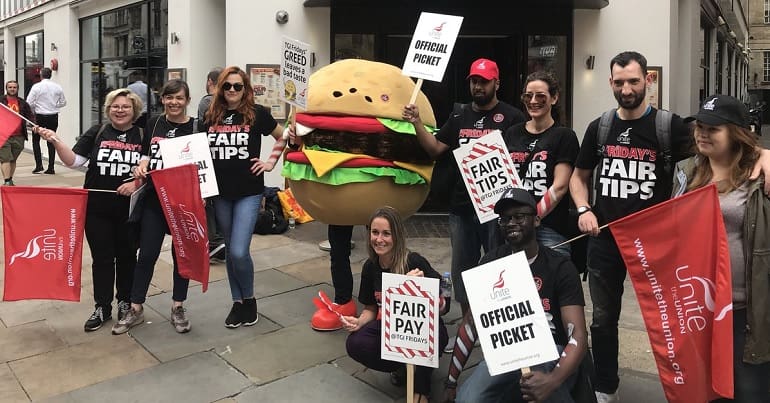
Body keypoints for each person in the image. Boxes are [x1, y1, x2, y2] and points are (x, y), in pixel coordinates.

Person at [569, 51, 770, 403]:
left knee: (670, 318)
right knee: (603, 319)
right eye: (619, 82)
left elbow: (728, 146)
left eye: (633, 81)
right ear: (610, 83)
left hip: (657, 245)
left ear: (647, 80)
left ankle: (688, 384)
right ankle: (605, 386)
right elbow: (579, 177)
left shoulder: (670, 127)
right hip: (605, 239)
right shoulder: (600, 127)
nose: (626, 88)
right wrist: (584, 209)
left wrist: (765, 153)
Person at [403, 57, 526, 319]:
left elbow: (520, 158)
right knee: (462, 270)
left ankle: (497, 320)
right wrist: (416, 123)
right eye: (474, 81)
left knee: (498, 266)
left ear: (496, 83)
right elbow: (436, 149)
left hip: (497, 210)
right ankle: (468, 324)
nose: (478, 86)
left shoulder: (513, 116)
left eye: (483, 81)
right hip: (461, 207)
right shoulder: (459, 114)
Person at [445, 187, 587, 403]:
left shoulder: (560, 267)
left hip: (550, 353)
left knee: (541, 379)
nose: (511, 223)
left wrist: (553, 380)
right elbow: (470, 324)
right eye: (504, 219)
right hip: (505, 355)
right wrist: (451, 382)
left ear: (536, 220)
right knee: (467, 400)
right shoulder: (490, 263)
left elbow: (577, 335)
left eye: (519, 217)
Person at [672, 94, 770, 403]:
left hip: (745, 311)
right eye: (699, 126)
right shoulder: (685, 172)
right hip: (698, 310)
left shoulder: (760, 175)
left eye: (712, 128)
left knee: (749, 391)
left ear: (736, 132)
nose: (702, 133)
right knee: (706, 393)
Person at [36, 88, 144, 332]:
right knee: (102, 259)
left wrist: (135, 182)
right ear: (108, 109)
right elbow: (73, 161)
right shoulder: (97, 132)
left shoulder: (142, 135)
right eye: (115, 106)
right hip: (97, 209)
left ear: (134, 110)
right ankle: (102, 306)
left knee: (127, 258)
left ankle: (125, 303)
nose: (120, 110)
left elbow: (151, 170)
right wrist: (55, 140)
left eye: (125, 106)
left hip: (131, 212)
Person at [202, 66, 286, 328]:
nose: (232, 91)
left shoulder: (257, 114)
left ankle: (249, 299)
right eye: (227, 86)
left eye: (237, 86)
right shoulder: (211, 115)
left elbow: (282, 137)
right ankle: (237, 302)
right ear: (220, 89)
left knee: (239, 251)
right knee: (229, 249)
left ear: (245, 89)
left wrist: (270, 163)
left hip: (249, 192)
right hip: (221, 194)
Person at [111, 79, 197, 335]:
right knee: (147, 254)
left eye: (179, 98)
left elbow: (203, 163)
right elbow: (146, 153)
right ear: (163, 100)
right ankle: (136, 308)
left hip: (183, 201)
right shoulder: (154, 123)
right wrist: (141, 165)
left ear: (187, 100)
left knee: (182, 256)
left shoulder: (196, 126)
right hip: (155, 199)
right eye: (169, 98)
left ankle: (178, 306)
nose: (174, 103)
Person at [342, 206, 450, 403]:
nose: (379, 239)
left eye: (386, 234)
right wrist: (358, 322)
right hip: (390, 327)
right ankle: (401, 365)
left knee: (430, 338)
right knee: (355, 343)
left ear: (397, 236)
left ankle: (421, 388)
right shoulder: (370, 267)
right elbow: (370, 308)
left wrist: (418, 288)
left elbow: (444, 300)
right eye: (375, 232)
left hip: (423, 329)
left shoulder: (413, 261)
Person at [502, 71, 579, 257]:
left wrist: (531, 218)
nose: (533, 101)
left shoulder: (564, 136)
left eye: (540, 96)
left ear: (554, 98)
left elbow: (560, 186)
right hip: (513, 227)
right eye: (528, 96)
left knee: (553, 282)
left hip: (549, 228)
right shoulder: (511, 133)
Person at [197, 67, 226, 263]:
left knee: (208, 203)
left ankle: (215, 243)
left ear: (210, 82)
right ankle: (220, 241)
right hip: (222, 158)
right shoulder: (230, 104)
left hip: (209, 159)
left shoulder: (207, 101)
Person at [26, 67, 66, 174]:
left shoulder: (36, 87)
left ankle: (39, 165)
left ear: (41, 75)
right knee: (51, 140)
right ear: (51, 75)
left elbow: (28, 102)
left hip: (40, 116)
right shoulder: (57, 87)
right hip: (53, 116)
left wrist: (35, 108)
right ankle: (51, 167)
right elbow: (63, 102)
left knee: (35, 140)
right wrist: (54, 105)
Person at [0, 80, 35, 186]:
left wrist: (33, 125)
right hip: (3, 135)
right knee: (5, 158)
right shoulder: (1, 101)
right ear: (6, 88)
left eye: (14, 87)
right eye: (10, 87)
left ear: (17, 89)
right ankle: (7, 181)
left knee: (13, 159)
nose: (12, 89)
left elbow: (30, 116)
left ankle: (9, 179)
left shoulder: (23, 103)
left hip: (19, 136)